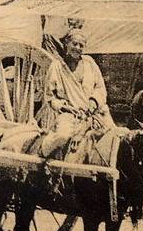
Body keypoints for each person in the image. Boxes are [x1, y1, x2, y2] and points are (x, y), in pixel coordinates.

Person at [40, 27, 113, 158]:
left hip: (96, 113)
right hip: (71, 115)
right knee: (62, 136)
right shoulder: (57, 66)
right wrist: (63, 107)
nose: (78, 48)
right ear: (66, 44)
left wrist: (93, 101)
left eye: (81, 45)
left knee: (115, 137)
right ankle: (42, 157)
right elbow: (50, 97)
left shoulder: (90, 63)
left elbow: (100, 88)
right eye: (74, 44)